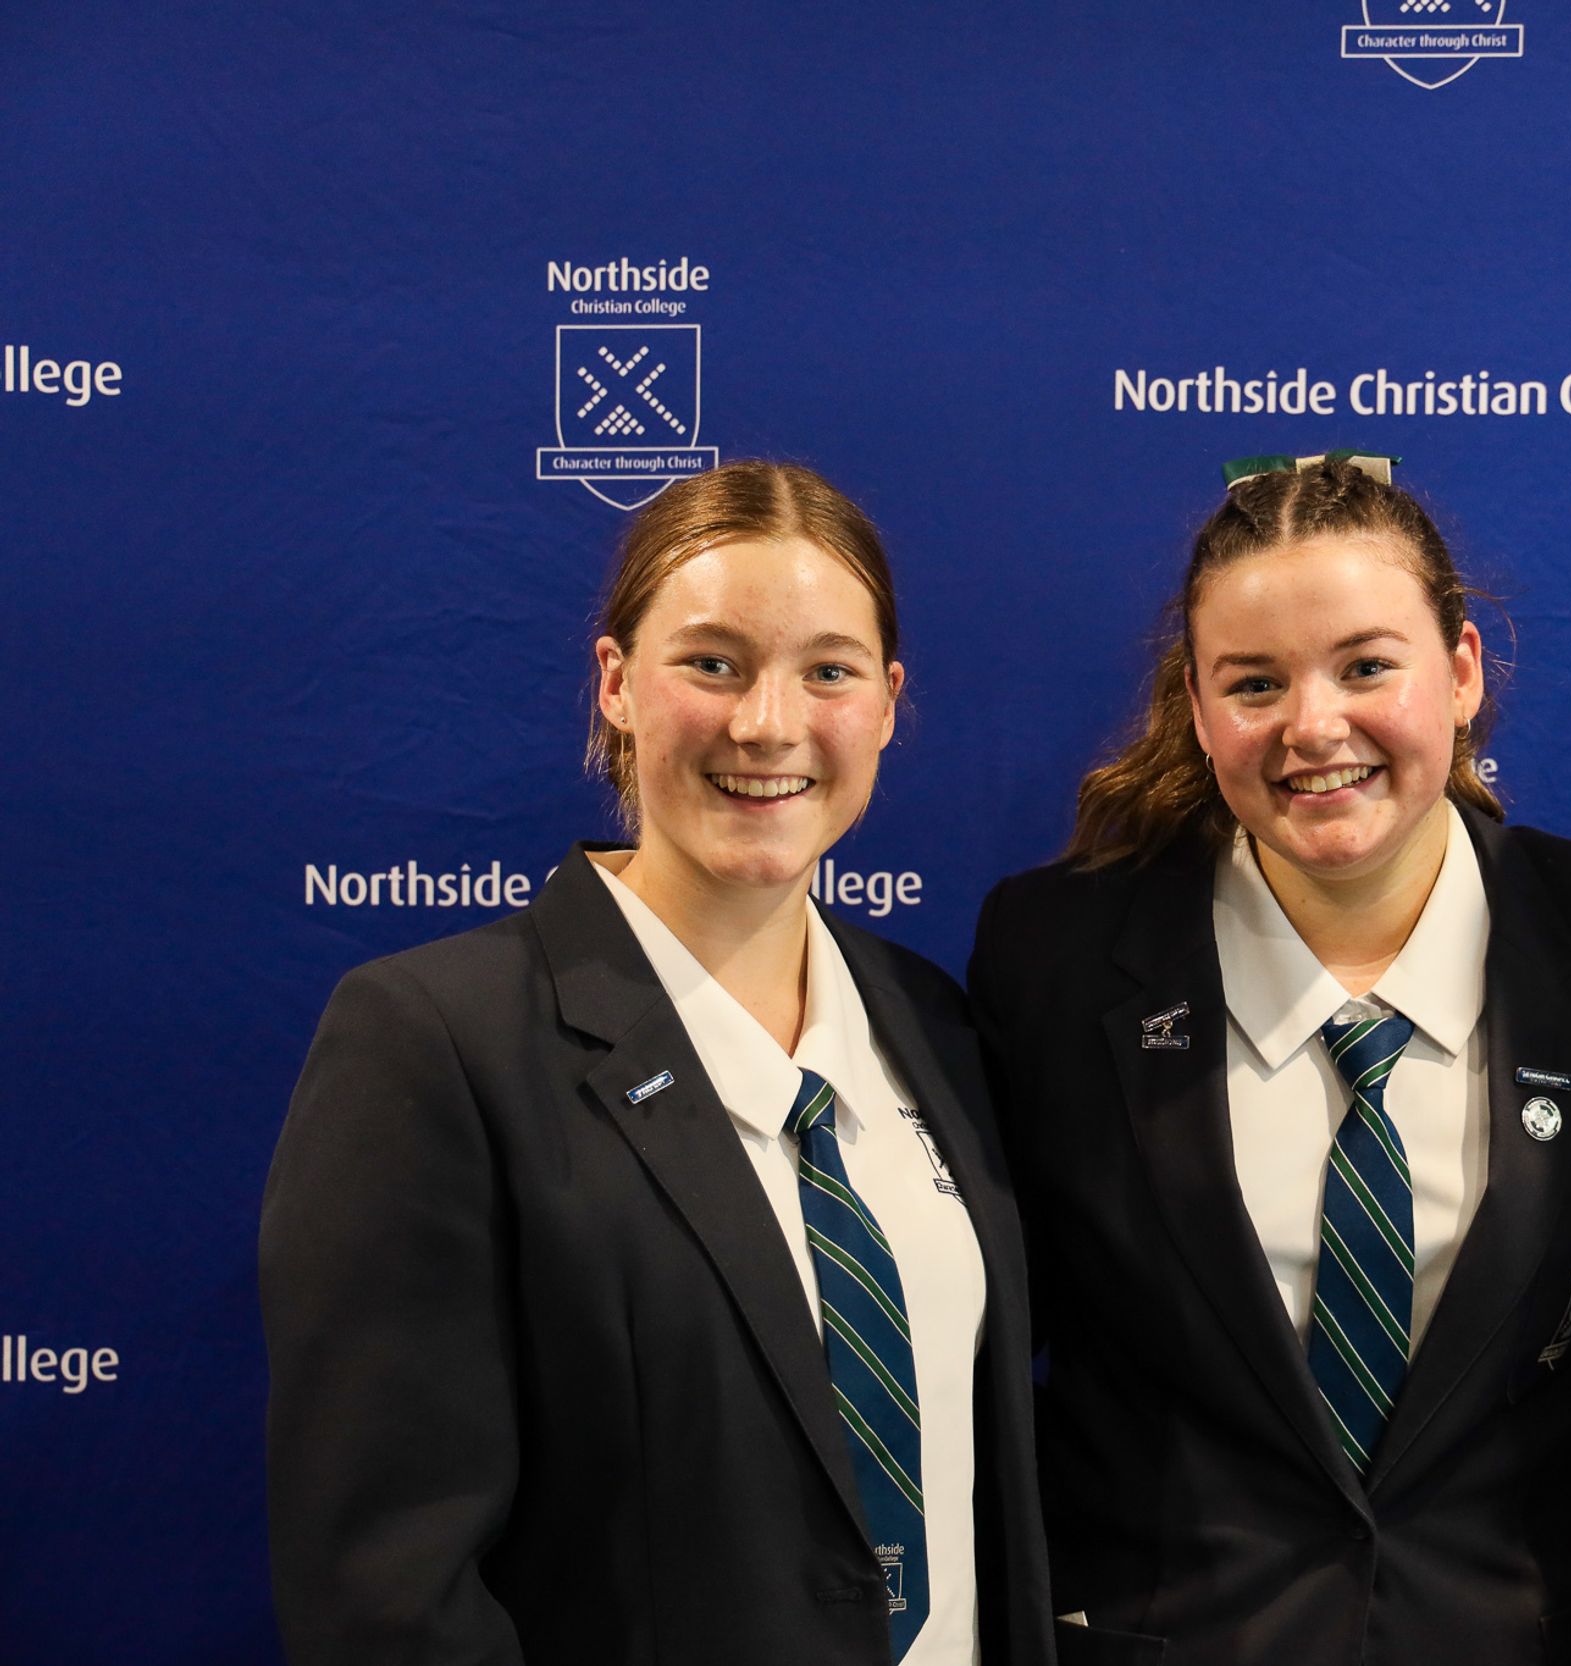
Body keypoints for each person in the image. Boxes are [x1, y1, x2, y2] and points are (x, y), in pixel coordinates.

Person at [261, 462, 1051, 1666]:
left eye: (828, 671)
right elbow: (388, 1596)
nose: (767, 723)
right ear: (617, 683)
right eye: (713, 663)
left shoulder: (934, 1024)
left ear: (888, 703)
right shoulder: (436, 1042)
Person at [970, 453, 1571, 1666]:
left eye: (1365, 666)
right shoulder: (1056, 954)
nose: (1313, 727)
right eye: (1254, 683)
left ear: (1461, 671)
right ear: (1198, 708)